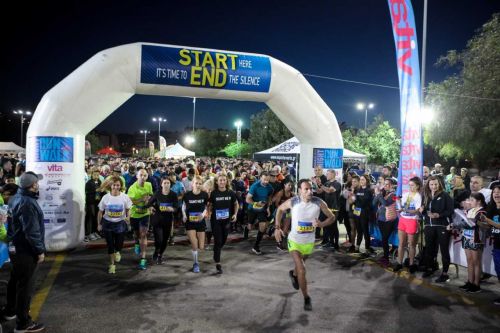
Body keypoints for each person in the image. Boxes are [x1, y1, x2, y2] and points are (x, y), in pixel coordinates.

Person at [274, 179, 335, 311]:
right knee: (302, 269)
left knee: (299, 267)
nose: (309, 191)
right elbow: (279, 209)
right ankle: (306, 297)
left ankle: (293, 274)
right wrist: (277, 227)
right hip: (294, 241)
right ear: (300, 191)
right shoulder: (293, 201)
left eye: (311, 188)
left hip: (309, 242)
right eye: (306, 189)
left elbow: (332, 217)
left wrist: (321, 224)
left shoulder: (319, 202)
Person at [4, 172, 46, 332]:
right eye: (37, 183)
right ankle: (23, 323)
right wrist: (39, 250)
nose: (38, 185)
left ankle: (10, 310)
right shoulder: (27, 203)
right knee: (25, 286)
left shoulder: (16, 198)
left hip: (16, 247)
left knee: (16, 281)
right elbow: (32, 231)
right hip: (25, 251)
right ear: (33, 185)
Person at [450, 193, 487, 293]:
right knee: (469, 260)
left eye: (472, 200)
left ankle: (476, 284)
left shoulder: (482, 211)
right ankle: (470, 282)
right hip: (466, 237)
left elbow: (482, 226)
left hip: (476, 238)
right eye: (469, 200)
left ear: (478, 201)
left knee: (476, 262)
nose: (469, 202)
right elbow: (464, 223)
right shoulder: (470, 210)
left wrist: (471, 222)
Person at [419, 176, 454, 282]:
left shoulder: (445, 195)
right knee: (429, 248)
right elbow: (424, 210)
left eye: (435, 184)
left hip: (442, 226)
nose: (433, 186)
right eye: (431, 184)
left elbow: (450, 210)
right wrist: (422, 211)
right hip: (429, 226)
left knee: (443, 250)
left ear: (439, 184)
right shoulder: (425, 195)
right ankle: (430, 268)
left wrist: (439, 215)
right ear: (428, 185)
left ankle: (445, 273)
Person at [97, 176, 132, 274]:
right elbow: (100, 212)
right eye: (114, 185)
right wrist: (99, 224)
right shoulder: (106, 197)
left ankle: (118, 251)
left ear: (121, 186)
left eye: (118, 185)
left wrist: (128, 217)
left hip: (120, 223)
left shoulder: (125, 197)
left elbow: (129, 210)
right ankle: (112, 265)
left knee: (119, 245)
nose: (116, 187)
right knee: (110, 245)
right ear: (110, 186)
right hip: (107, 223)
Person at [207, 174, 238, 274]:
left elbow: (236, 203)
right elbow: (210, 205)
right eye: (220, 180)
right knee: (218, 240)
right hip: (216, 221)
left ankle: (216, 251)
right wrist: (208, 212)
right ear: (217, 182)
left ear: (227, 181)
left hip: (226, 220)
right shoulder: (214, 193)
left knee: (223, 240)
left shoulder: (230, 193)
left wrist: (235, 214)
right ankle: (218, 262)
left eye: (224, 180)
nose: (222, 182)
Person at [147, 176, 178, 265]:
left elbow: (176, 208)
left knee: (165, 240)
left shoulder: (173, 195)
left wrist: (171, 209)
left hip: (167, 220)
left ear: (170, 184)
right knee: (159, 239)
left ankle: (160, 255)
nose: (166, 185)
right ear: (161, 184)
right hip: (157, 219)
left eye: (168, 183)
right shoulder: (157, 193)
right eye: (164, 183)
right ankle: (156, 251)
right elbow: (149, 203)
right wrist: (151, 207)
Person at [394, 177, 422, 273]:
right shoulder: (405, 194)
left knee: (411, 245)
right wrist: (398, 204)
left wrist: (404, 210)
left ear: (417, 186)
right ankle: (399, 263)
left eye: (412, 185)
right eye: (409, 185)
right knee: (401, 243)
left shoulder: (418, 196)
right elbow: (402, 207)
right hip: (402, 219)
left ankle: (411, 264)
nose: (410, 187)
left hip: (412, 221)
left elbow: (416, 211)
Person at [127, 168, 154, 270]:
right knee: (136, 234)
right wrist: (141, 199)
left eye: (145, 175)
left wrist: (150, 205)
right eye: (141, 175)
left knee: (143, 234)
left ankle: (143, 258)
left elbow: (151, 197)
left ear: (147, 176)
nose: (143, 177)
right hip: (134, 214)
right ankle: (136, 242)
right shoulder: (132, 188)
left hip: (145, 214)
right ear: (137, 176)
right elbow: (131, 202)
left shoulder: (149, 185)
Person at [182, 175, 209, 273]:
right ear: (192, 184)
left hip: (200, 221)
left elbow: (206, 207)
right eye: (196, 183)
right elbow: (183, 206)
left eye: (200, 183)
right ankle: (195, 263)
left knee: (201, 246)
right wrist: (184, 215)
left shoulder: (204, 195)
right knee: (194, 244)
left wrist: (203, 214)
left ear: (202, 185)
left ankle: (197, 254)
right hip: (190, 221)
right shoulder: (187, 195)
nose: (198, 185)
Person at [246, 172, 274, 255]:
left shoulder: (270, 187)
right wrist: (256, 204)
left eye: (268, 180)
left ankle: (256, 246)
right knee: (250, 226)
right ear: (260, 178)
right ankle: (247, 228)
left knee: (263, 225)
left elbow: (269, 197)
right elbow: (247, 199)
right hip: (252, 208)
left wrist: (268, 207)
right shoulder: (255, 186)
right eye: (264, 179)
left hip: (262, 209)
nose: (266, 182)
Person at [373, 178, 398, 267]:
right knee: (384, 239)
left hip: (389, 220)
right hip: (380, 219)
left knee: (384, 239)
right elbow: (374, 203)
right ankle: (385, 255)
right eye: (385, 184)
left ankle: (386, 258)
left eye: (387, 184)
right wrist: (377, 194)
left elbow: (386, 204)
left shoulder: (395, 195)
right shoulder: (383, 193)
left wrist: (379, 195)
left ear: (392, 185)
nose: (385, 186)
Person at [482, 185, 500, 305]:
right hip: (497, 245)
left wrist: (488, 221)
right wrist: (476, 221)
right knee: (499, 271)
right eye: (494, 192)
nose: (496, 194)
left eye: (499, 192)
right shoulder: (492, 208)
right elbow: (488, 226)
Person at [320, 169, 341, 250]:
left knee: (334, 226)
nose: (326, 175)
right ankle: (330, 242)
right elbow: (319, 191)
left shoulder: (337, 184)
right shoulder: (326, 183)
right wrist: (315, 183)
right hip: (327, 208)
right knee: (328, 226)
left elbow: (329, 191)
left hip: (334, 208)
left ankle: (336, 244)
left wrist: (320, 184)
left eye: (328, 174)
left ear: (333, 174)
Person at [353, 175, 374, 254]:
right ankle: (357, 247)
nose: (361, 181)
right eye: (360, 180)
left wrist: (356, 200)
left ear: (367, 181)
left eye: (363, 179)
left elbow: (365, 202)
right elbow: (355, 201)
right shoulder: (357, 189)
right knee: (359, 230)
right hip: (357, 212)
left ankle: (367, 248)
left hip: (365, 213)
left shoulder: (369, 190)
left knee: (365, 231)